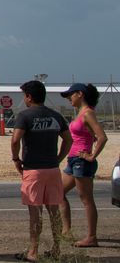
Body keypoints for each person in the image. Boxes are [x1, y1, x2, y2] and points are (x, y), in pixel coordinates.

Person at [11, 79, 72, 261]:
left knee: (35, 213)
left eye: (24, 96)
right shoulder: (55, 116)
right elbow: (68, 140)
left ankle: (33, 251)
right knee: (54, 211)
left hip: (33, 170)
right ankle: (56, 249)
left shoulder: (25, 116)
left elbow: (15, 140)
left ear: (29, 97)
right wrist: (59, 158)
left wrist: (16, 159)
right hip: (52, 170)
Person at [59, 82, 107, 248]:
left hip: (82, 162)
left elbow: (102, 137)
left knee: (86, 200)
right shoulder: (81, 112)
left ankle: (92, 237)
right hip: (73, 160)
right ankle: (66, 231)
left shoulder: (88, 113)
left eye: (70, 95)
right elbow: (90, 135)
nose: (68, 99)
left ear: (80, 94)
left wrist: (91, 156)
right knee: (59, 193)